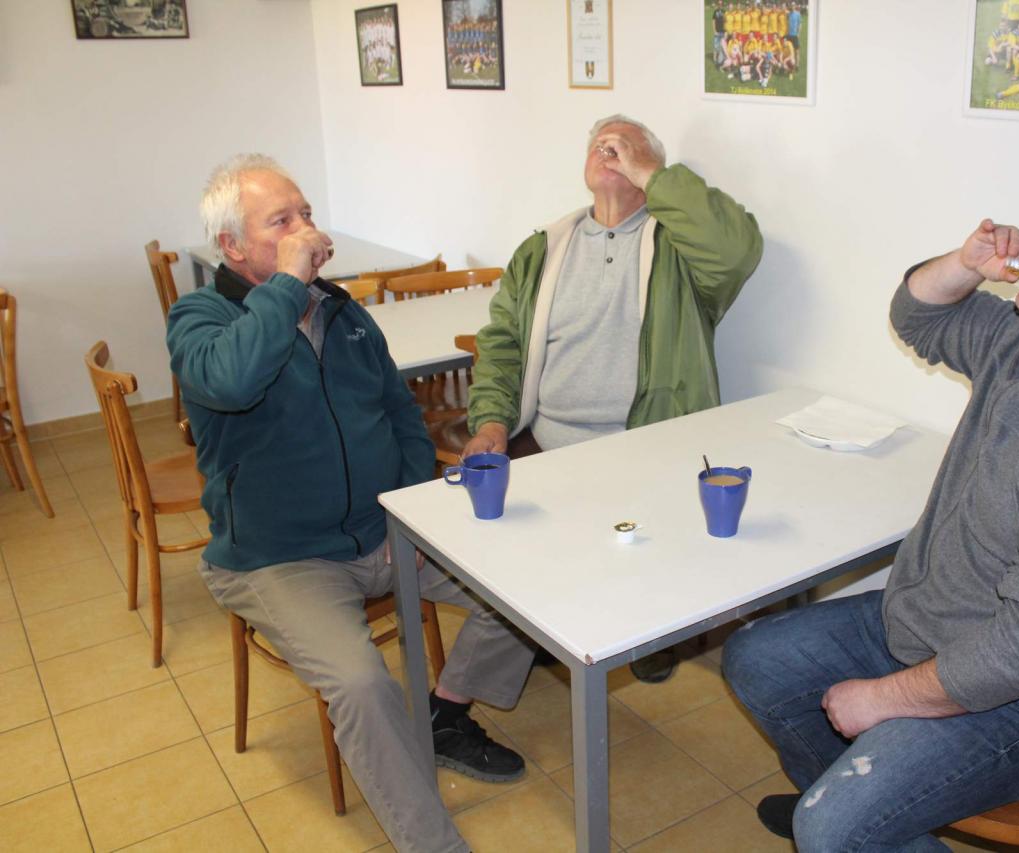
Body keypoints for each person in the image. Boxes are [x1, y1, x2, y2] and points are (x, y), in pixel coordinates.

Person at [724, 194, 1019, 850]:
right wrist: (966, 261)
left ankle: (841, 823)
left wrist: (882, 698)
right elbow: (917, 315)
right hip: (929, 625)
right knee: (758, 658)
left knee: (832, 828)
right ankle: (838, 801)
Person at [167, 154, 538, 853]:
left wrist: (410, 515)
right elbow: (233, 381)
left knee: (523, 591)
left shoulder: (343, 312)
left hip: (384, 530)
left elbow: (400, 413)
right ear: (232, 246)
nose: (306, 230)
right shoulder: (200, 318)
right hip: (280, 558)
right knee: (364, 685)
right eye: (281, 221)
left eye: (306, 213)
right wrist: (286, 286)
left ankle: (446, 714)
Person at [462, 115, 763, 683]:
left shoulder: (679, 250)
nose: (610, 152)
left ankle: (647, 636)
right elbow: (502, 344)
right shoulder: (543, 248)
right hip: (551, 445)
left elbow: (738, 250)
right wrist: (492, 421)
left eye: (627, 148)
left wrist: (655, 177)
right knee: (523, 570)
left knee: (639, 567)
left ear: (652, 168)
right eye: (600, 145)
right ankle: (535, 643)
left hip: (644, 444)